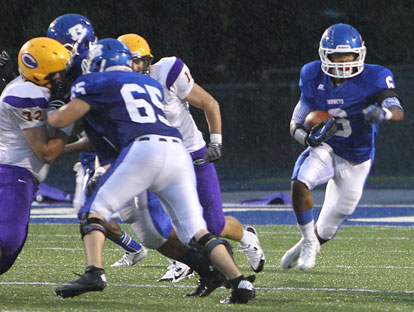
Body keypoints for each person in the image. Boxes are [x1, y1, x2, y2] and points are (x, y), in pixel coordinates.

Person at [49, 38, 255, 304]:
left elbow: (62, 120)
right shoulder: (148, 84)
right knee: (196, 230)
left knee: (95, 211)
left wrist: (49, 110)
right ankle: (240, 283)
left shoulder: (95, 82)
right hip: (176, 150)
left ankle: (94, 272)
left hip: (143, 151)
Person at [117, 33, 265, 278]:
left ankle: (246, 237)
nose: (131, 68)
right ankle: (182, 261)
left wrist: (216, 140)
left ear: (147, 60)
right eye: (125, 62)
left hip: (190, 152)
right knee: (162, 217)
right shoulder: (118, 89)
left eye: (136, 61)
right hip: (156, 157)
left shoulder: (167, 71)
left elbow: (209, 103)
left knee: (213, 225)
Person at [280, 23, 404, 271]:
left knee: (331, 223)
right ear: (325, 55)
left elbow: (397, 109)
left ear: (360, 54)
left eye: (349, 54)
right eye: (337, 55)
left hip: (357, 157)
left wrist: (384, 114)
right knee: (300, 182)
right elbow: (295, 123)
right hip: (328, 147)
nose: (344, 61)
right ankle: (307, 241)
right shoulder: (312, 75)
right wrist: (306, 139)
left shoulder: (375, 76)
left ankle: (309, 241)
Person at [47, 13, 149, 266]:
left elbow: (65, 119)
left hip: (123, 145)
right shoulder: (76, 67)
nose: (57, 52)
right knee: (93, 209)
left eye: (62, 46)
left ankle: (190, 256)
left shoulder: (91, 66)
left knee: (141, 210)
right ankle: (131, 250)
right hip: (103, 144)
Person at [0, 37, 72, 274]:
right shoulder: (23, 94)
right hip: (11, 171)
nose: (62, 78)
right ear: (40, 74)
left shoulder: (32, 86)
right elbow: (47, 152)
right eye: (57, 74)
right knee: (8, 239)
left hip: (21, 175)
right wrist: (69, 122)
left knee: (7, 254)